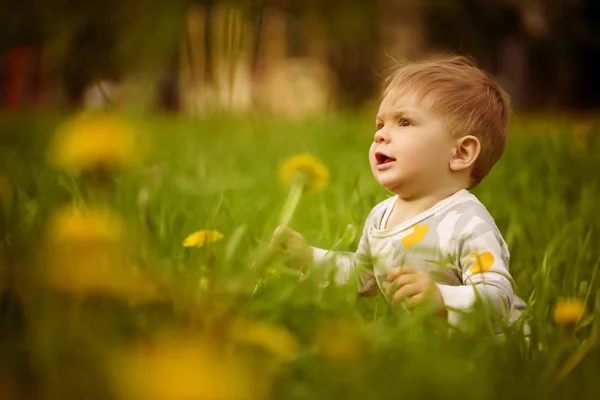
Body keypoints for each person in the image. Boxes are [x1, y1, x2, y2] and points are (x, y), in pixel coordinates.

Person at [272, 56, 526, 330]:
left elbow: (498, 298)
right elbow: (362, 276)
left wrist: (442, 297)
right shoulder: (382, 215)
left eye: (404, 122)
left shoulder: (468, 222)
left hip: (485, 351)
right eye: (380, 124)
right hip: (419, 350)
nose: (380, 135)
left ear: (461, 153)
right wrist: (309, 258)